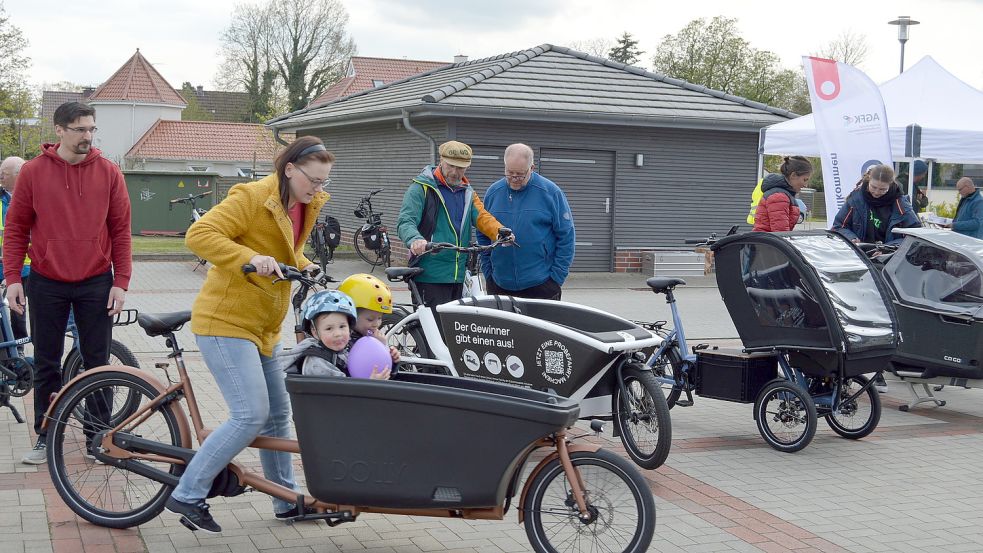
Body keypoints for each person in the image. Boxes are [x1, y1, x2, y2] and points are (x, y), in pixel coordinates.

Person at [164, 136, 332, 533]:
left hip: (264, 327)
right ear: (290, 169)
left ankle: (286, 501)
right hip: (226, 323)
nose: (318, 189)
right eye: (313, 180)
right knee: (250, 415)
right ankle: (187, 493)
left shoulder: (301, 204)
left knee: (277, 415)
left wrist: (304, 265)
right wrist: (249, 259)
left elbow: (286, 251)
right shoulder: (252, 197)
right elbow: (200, 235)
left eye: (324, 182)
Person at [3, 102, 132, 465]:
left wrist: (120, 281)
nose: (87, 136)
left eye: (91, 129)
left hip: (96, 281)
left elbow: (121, 231)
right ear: (59, 130)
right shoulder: (33, 172)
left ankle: (98, 437)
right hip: (46, 281)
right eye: (79, 129)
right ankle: (46, 436)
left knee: (98, 363)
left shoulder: (109, 172)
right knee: (46, 362)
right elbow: (15, 229)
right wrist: (14, 277)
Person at [396, 140, 511, 307]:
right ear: (441, 160)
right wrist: (415, 239)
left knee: (456, 329)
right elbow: (405, 221)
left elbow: (482, 217)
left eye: (461, 168)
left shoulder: (467, 192)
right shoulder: (421, 188)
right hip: (430, 273)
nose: (455, 172)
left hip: (458, 275)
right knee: (433, 329)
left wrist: (499, 232)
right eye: (451, 166)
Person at [478, 143, 575, 300]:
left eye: (521, 174)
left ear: (532, 168)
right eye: (510, 173)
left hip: (542, 285)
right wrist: (488, 273)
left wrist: (556, 278)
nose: (515, 178)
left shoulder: (551, 193)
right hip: (499, 284)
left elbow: (566, 237)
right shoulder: (493, 193)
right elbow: (482, 232)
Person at [277, 289, 391, 379]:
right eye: (329, 328)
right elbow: (342, 394)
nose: (337, 334)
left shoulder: (347, 350)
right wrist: (371, 385)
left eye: (342, 326)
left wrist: (387, 356)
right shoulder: (317, 362)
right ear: (315, 332)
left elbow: (367, 368)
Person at [832, 164, 921, 246]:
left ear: (890, 185)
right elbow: (838, 226)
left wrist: (887, 249)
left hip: (888, 257)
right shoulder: (856, 199)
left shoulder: (901, 204)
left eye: (883, 189)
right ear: (868, 179)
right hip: (858, 254)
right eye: (873, 187)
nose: (877, 192)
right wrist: (851, 238)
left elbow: (916, 235)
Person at [337, 273, 400, 364]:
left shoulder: (368, 337)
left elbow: (385, 372)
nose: (376, 324)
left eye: (379, 318)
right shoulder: (342, 342)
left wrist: (390, 358)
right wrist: (378, 347)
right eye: (370, 319)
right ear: (350, 316)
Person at [0, 156, 30, 347]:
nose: (1, 176)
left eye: (5, 173)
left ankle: (17, 347)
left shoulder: (31, 196)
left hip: (26, 266)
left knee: (18, 309)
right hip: (3, 263)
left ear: (18, 175)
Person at [752, 156, 812, 232]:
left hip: (766, 241)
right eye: (805, 179)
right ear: (793, 175)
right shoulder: (779, 197)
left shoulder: (783, 194)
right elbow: (781, 232)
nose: (805, 185)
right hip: (767, 243)